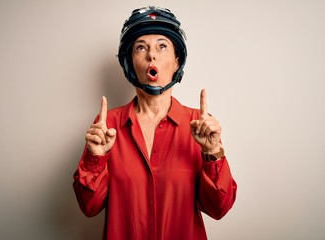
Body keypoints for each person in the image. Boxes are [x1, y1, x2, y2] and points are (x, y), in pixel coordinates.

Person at [73, 6, 237, 240]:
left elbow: (219, 208)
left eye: (162, 46)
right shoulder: (107, 126)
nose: (152, 55)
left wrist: (213, 153)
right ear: (130, 63)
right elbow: (89, 207)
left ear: (177, 62)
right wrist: (95, 159)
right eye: (141, 47)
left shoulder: (199, 125)